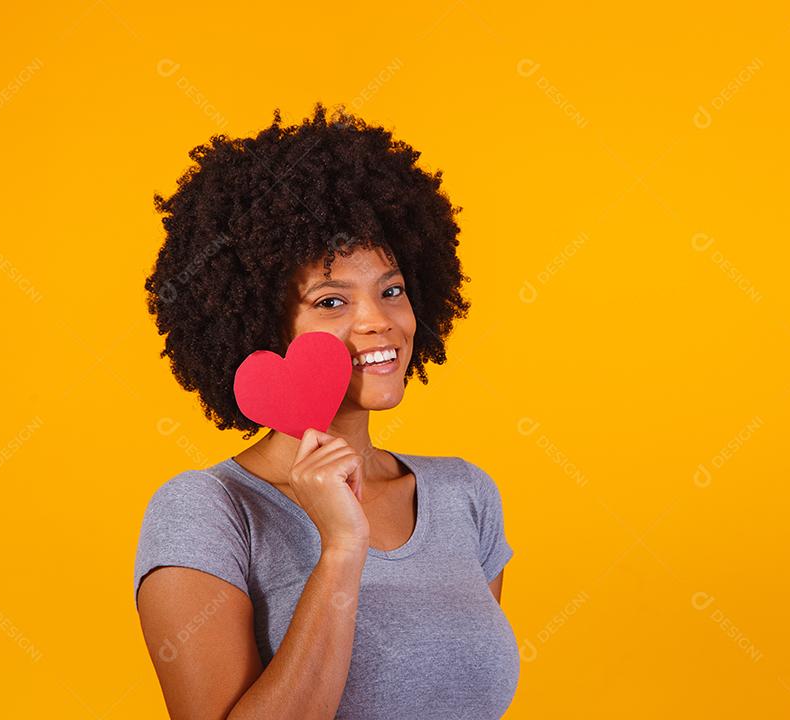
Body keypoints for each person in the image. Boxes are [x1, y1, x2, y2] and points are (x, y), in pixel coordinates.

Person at [134, 102, 519, 719]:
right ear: (263, 327)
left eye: (391, 290)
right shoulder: (209, 511)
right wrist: (341, 547)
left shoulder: (464, 498)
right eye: (331, 301)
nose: (378, 322)